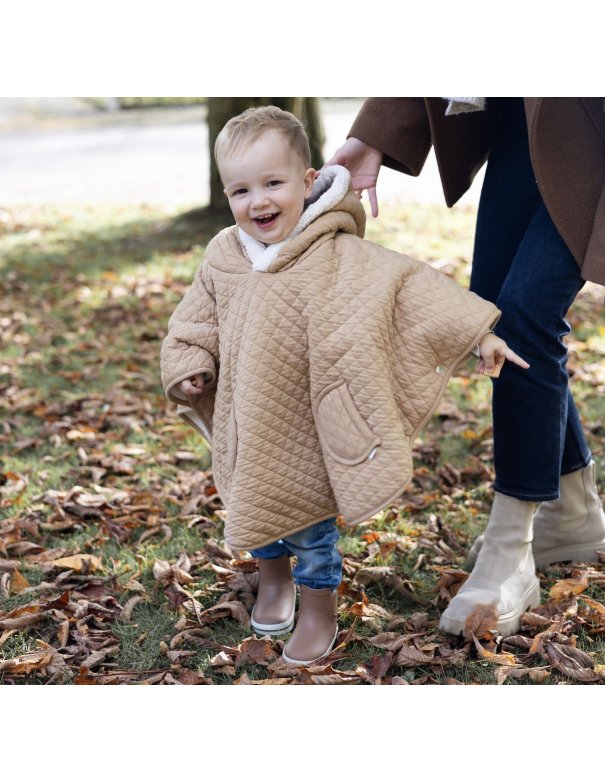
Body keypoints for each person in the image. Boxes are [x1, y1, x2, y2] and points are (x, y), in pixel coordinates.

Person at [160, 105, 528, 664]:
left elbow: (410, 287)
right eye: (240, 191)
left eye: (273, 184)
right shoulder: (223, 258)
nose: (257, 201)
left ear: (308, 183)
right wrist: (190, 364)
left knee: (310, 529)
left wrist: (479, 335)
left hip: (309, 421)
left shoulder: (336, 250)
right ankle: (273, 579)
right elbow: (194, 320)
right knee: (254, 509)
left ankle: (317, 607)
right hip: (249, 418)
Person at [325, 97, 605, 637]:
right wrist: (376, 136)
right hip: (526, 123)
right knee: (496, 313)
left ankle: (510, 547)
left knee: (521, 319)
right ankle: (573, 509)